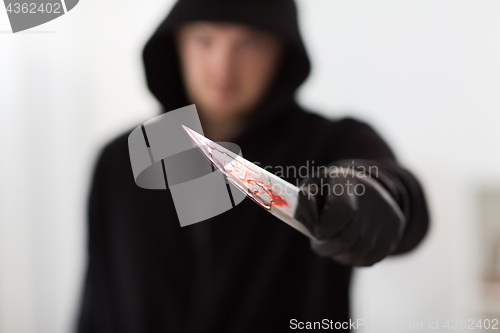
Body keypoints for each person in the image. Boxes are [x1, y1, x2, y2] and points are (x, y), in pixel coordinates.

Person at [77, 0, 430, 332]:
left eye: (249, 43)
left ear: (282, 50)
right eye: (204, 39)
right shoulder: (120, 161)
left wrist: (371, 192)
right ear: (177, 44)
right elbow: (95, 304)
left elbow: (400, 197)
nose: (222, 67)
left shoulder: (330, 145)